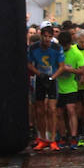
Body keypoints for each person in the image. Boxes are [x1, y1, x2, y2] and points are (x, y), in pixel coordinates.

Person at [27, 22, 65, 151]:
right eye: (45, 36)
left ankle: (53, 138)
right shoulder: (34, 48)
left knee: (52, 109)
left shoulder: (56, 47)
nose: (47, 39)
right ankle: (42, 137)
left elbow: (61, 66)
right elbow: (29, 64)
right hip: (40, 79)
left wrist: (52, 77)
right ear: (41, 36)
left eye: (49, 37)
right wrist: (39, 74)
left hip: (52, 79)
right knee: (39, 110)